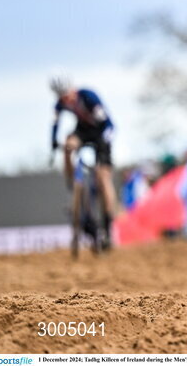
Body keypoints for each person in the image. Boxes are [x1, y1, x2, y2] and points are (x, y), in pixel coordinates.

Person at [49, 76, 117, 249]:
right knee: (68, 144)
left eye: (67, 95)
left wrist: (104, 142)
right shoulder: (60, 104)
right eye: (62, 97)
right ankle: (72, 182)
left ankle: (108, 224)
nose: (66, 100)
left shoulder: (88, 96)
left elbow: (109, 124)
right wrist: (53, 142)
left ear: (72, 89)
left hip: (102, 133)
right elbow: (55, 124)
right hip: (83, 131)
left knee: (103, 177)